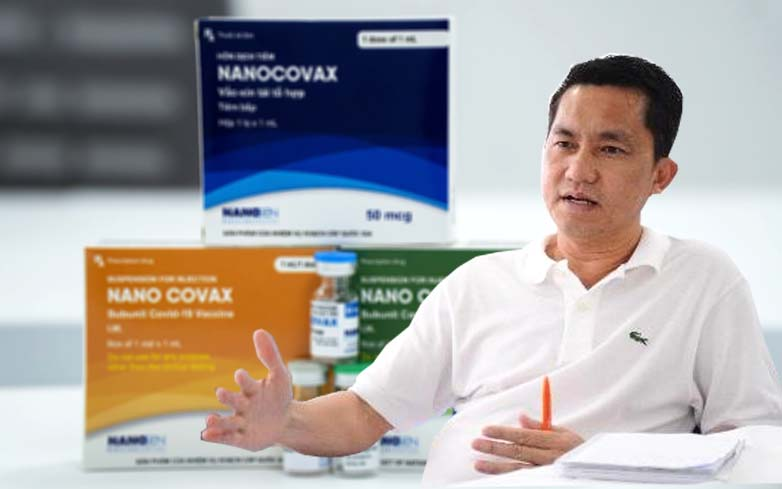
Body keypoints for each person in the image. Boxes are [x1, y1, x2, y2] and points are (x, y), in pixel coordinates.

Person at [200, 55, 782, 485]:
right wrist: (286, 422)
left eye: (611, 149)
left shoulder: (703, 281)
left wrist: (600, 458)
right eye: (564, 143)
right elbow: (364, 413)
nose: (578, 171)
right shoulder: (477, 283)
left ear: (660, 175)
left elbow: (755, 447)